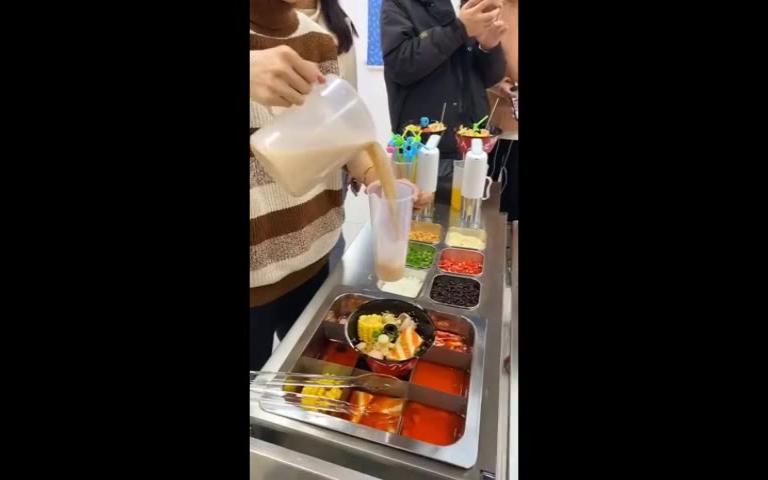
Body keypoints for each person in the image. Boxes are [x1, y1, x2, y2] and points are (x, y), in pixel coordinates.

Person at [249, 0, 431, 371]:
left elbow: (343, 135)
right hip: (254, 278)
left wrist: (378, 178)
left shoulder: (318, 39)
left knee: (312, 378)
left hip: (317, 260)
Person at [381, 0, 507, 174]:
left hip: (473, 144)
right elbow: (400, 65)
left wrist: (489, 47)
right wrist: (459, 29)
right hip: (421, 146)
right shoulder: (400, 3)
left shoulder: (473, 3)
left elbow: (489, 79)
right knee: (419, 191)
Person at [292, 0, 360, 269]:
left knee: (329, 246)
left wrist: (360, 165)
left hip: (328, 168)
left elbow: (347, 105)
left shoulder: (333, 29)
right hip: (282, 168)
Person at [486, 0, 518, 221]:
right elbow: (473, 59)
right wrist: (499, 85)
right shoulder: (491, 6)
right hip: (501, 130)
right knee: (498, 209)